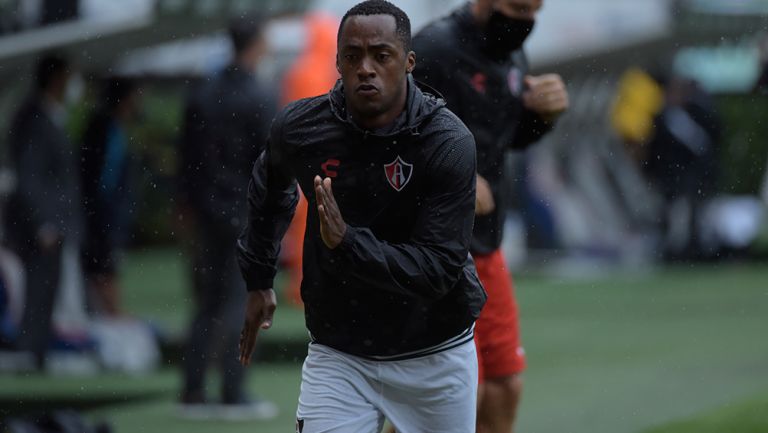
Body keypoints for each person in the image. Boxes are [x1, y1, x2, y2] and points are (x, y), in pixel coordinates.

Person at [236, 1, 486, 431]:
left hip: (434, 352)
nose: (365, 68)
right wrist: (259, 279)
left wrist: (349, 243)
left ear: (408, 63)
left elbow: (438, 269)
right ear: (337, 62)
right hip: (341, 353)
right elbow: (270, 188)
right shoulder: (301, 128)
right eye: (352, 56)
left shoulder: (446, 141)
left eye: (381, 55)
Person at [413, 1, 569, 432]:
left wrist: (542, 117)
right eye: (518, 6)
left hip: (485, 243)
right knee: (452, 395)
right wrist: (456, 177)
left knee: (504, 382)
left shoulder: (511, 51)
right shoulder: (434, 50)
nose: (525, 20)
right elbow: (391, 138)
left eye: (534, 10)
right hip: (434, 248)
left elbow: (505, 137)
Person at [177, 13, 278, 419]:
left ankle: (192, 390)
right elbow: (269, 164)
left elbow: (186, 157)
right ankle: (233, 392)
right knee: (239, 299)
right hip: (243, 212)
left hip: (206, 212)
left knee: (207, 301)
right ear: (256, 43)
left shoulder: (203, 92)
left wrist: (186, 206)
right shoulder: (260, 94)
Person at [4, 54, 84, 369]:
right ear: (56, 79)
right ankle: (28, 350)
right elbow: (30, 176)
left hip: (53, 223)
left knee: (47, 287)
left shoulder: (48, 115)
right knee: (37, 287)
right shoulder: (34, 118)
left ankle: (36, 350)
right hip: (38, 226)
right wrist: (44, 222)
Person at [279, 12, 340, 307]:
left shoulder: (298, 69)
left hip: (296, 157)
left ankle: (300, 282)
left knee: (302, 223)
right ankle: (308, 283)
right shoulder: (322, 71)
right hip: (320, 161)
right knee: (315, 222)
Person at [79, 77, 141, 317]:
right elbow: (102, 183)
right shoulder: (105, 129)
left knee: (105, 268)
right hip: (102, 219)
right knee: (103, 269)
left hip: (106, 217)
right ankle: (112, 317)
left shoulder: (112, 128)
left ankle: (110, 315)